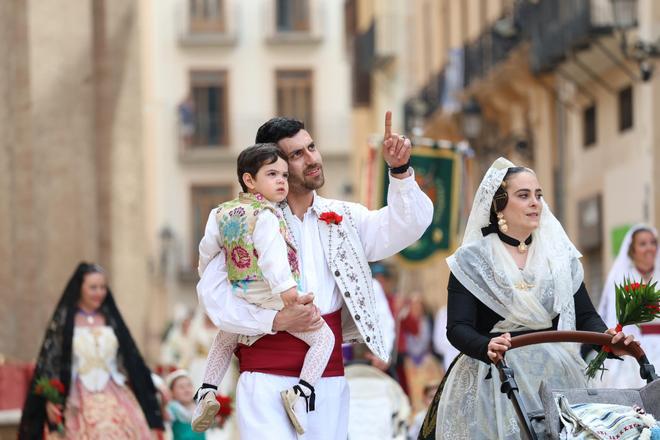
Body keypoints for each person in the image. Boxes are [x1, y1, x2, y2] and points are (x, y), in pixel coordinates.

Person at [196, 112, 434, 439]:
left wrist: (400, 171)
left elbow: (405, 226)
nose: (312, 158)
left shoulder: (344, 217)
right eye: (296, 154)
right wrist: (276, 322)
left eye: (312, 147)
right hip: (265, 379)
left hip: (328, 382)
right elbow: (215, 296)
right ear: (272, 164)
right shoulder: (243, 222)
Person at [417, 158, 635, 440]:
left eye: (538, 195)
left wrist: (608, 340)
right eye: (524, 195)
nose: (535, 202)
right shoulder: (472, 260)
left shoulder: (558, 258)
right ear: (499, 205)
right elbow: (457, 328)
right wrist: (487, 346)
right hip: (493, 378)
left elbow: (585, 316)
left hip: (554, 375)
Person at [192, 143, 335, 435]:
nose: (282, 180)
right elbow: (273, 262)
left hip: (241, 294)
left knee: (224, 339)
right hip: (273, 298)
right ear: (249, 179)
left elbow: (207, 253)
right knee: (324, 339)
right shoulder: (266, 215)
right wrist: (290, 296)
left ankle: (206, 391)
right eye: (272, 174)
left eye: (284, 174)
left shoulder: (221, 213)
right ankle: (300, 393)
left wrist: (207, 276)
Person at [18, 262, 164, 439]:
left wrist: (157, 383)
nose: (99, 292)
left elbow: (131, 359)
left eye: (103, 287)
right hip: (78, 395)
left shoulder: (111, 319)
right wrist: (51, 398)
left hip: (113, 391)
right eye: (93, 287)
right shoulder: (66, 322)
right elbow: (51, 362)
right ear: (80, 288)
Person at [596, 224, 660, 388]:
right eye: (643, 244)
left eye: (653, 243)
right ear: (632, 249)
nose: (649, 248)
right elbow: (613, 315)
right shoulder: (621, 277)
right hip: (634, 345)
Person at [166, 369, 206, 440]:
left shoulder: (200, 406)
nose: (186, 390)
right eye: (181, 387)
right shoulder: (172, 408)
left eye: (189, 385)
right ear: (172, 392)